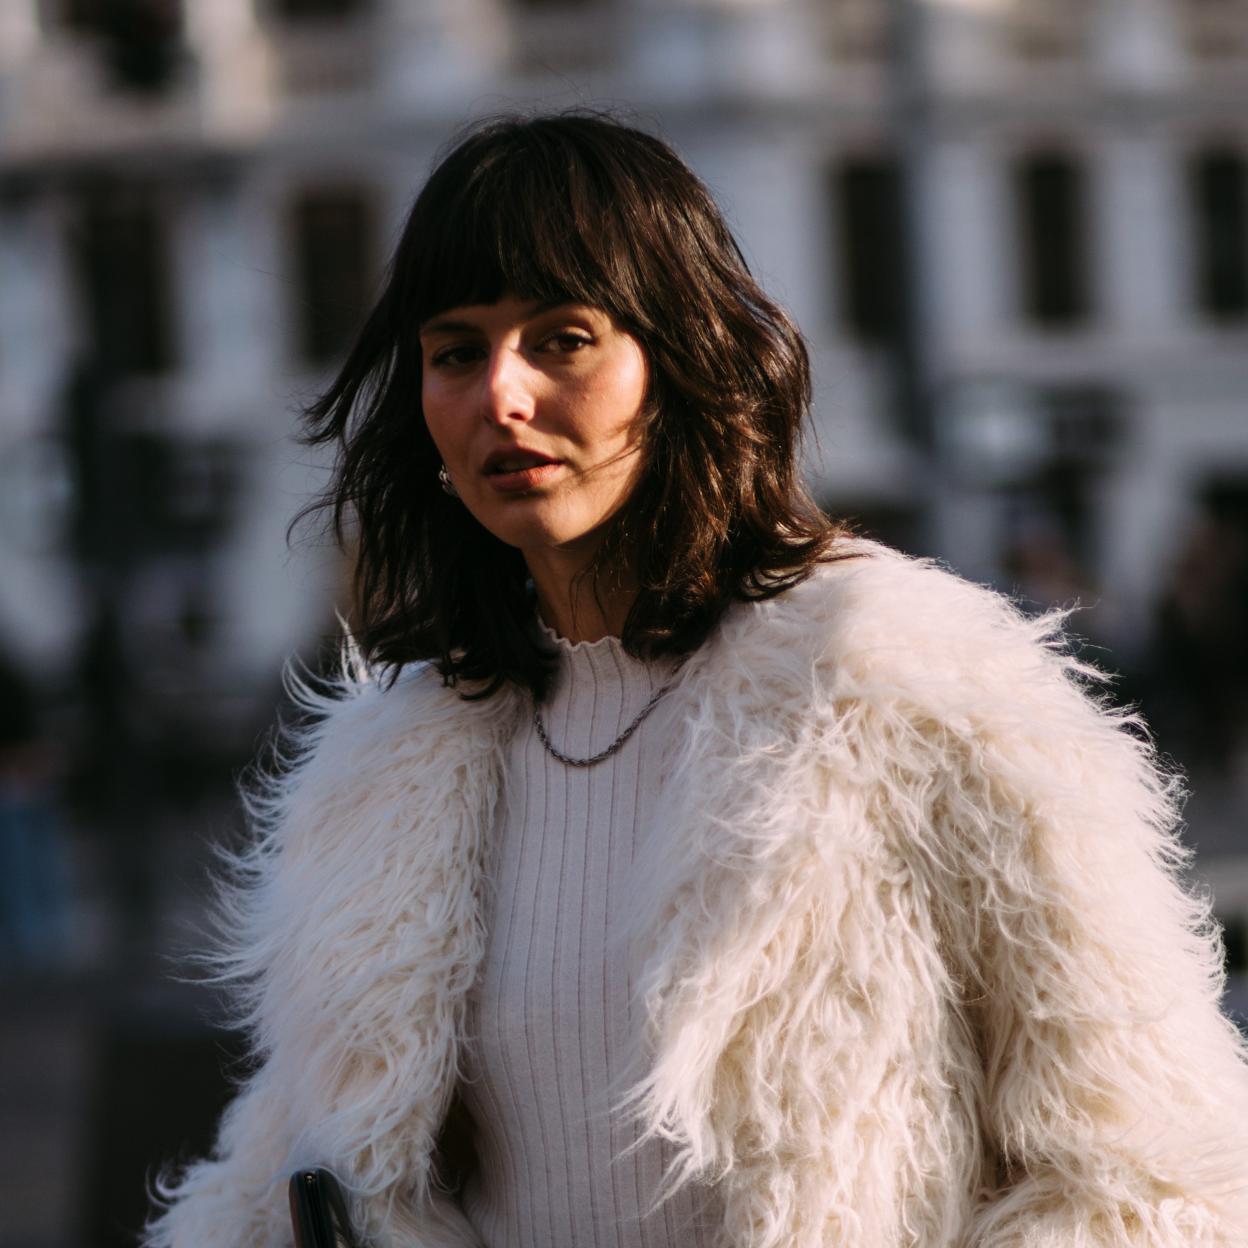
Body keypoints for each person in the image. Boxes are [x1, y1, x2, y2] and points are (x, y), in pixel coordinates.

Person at [146, 113, 1248, 1248]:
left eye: (562, 338)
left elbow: (1156, 1181)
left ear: (675, 363)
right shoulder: (385, 772)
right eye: (457, 350)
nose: (502, 397)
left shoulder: (914, 694)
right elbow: (296, 1178)